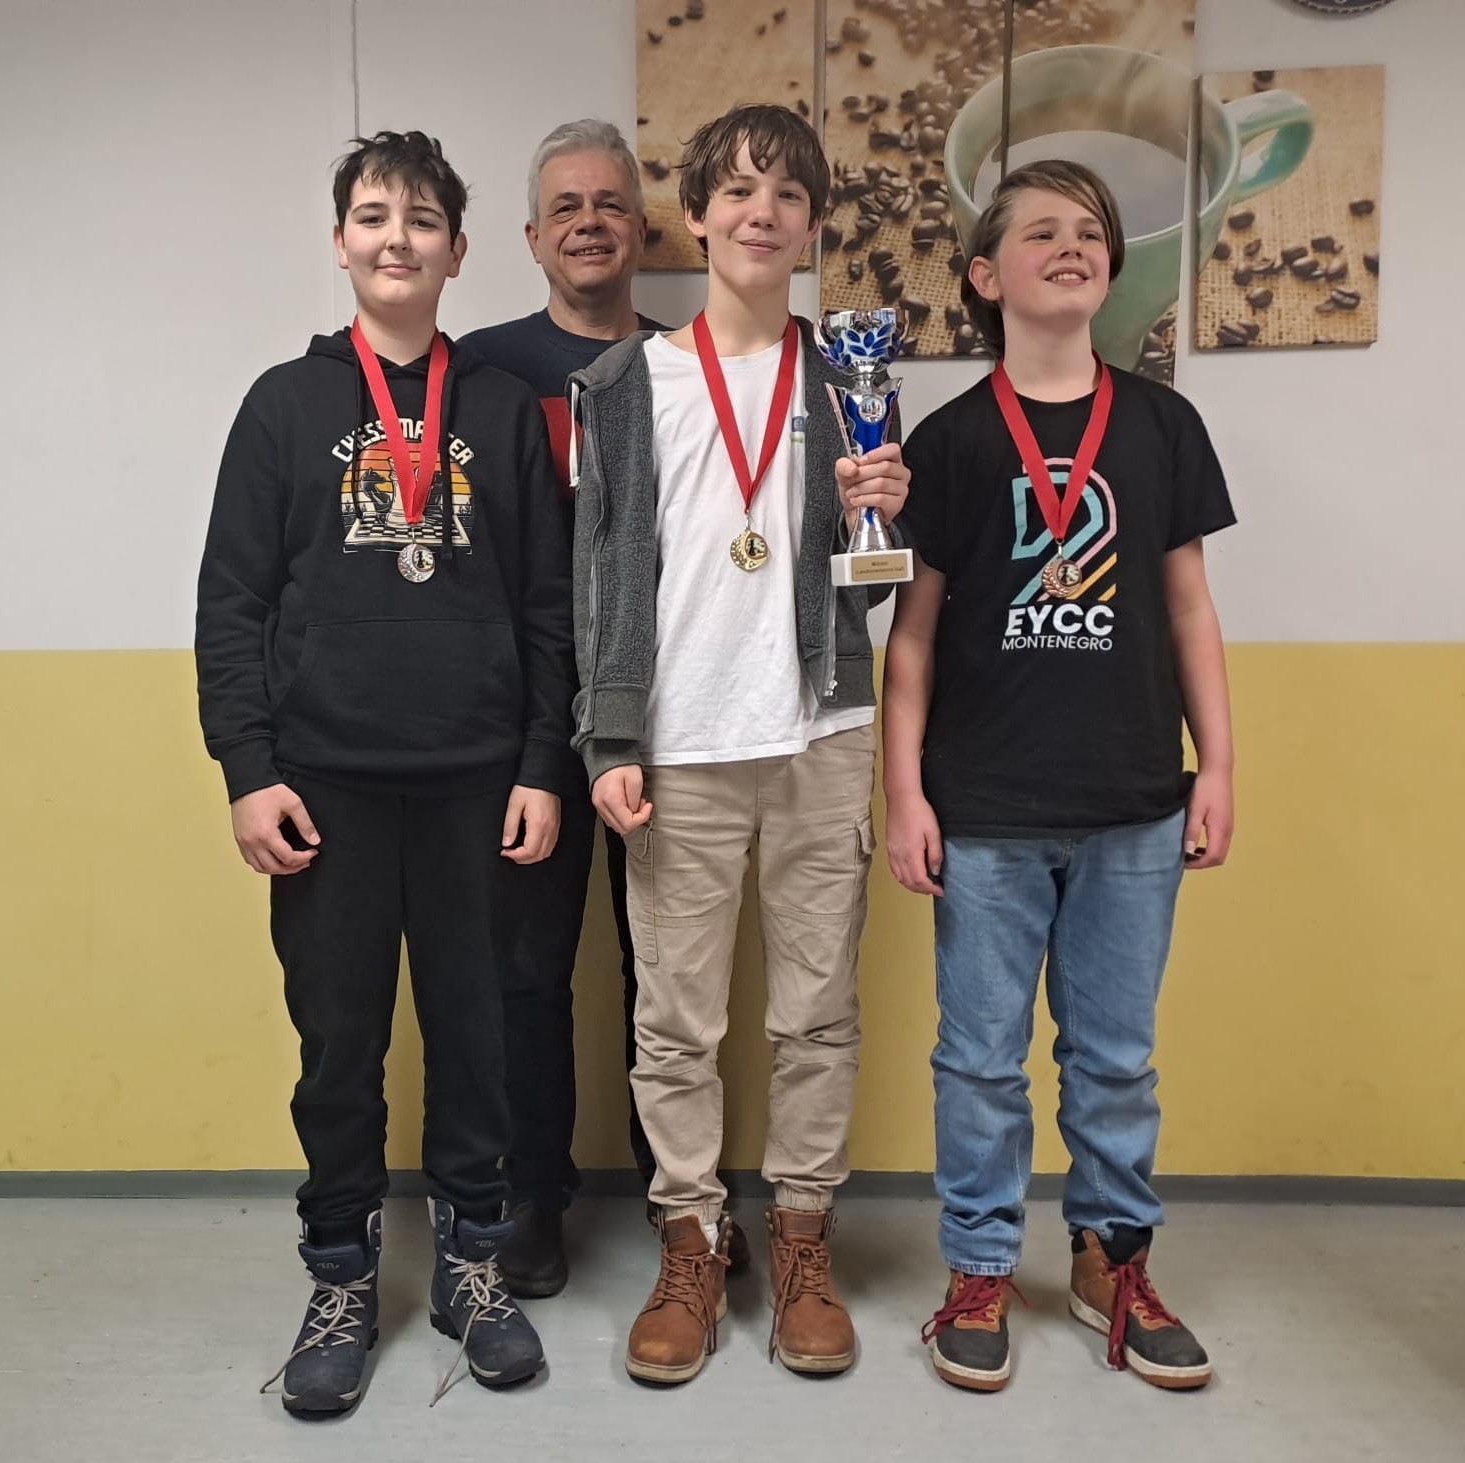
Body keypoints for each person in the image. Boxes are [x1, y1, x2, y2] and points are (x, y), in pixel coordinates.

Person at [194, 130, 574, 1415]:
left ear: (457, 250)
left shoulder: (503, 410)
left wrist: (542, 762)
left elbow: (548, 605)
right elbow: (232, 603)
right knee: (338, 1045)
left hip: (478, 783)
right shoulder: (282, 406)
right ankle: (341, 1275)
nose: (395, 238)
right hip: (326, 786)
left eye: (420, 219)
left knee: (478, 1035)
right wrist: (249, 768)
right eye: (372, 216)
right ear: (340, 241)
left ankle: (472, 1262)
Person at [570, 103, 910, 1385]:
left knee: (815, 1011)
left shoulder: (852, 378)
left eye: (787, 194)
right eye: (738, 189)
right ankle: (691, 1239)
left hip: (820, 727)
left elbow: (873, 581)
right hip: (680, 739)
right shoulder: (626, 385)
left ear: (811, 226)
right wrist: (608, 732)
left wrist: (884, 514)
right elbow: (599, 574)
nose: (761, 211)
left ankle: (803, 1235)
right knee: (676, 1019)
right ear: (697, 216)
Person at [884, 160, 1235, 1393]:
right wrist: (903, 792)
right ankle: (979, 1265)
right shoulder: (948, 440)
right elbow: (911, 637)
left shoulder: (1160, 426)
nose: (1071, 245)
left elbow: (1187, 608)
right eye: (1039, 232)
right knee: (979, 1059)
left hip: (1133, 800)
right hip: (983, 807)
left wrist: (1216, 765)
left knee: (1114, 1057)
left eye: (1088, 230)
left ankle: (1110, 1259)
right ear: (986, 276)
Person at [462, 119, 741, 1298]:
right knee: (524, 970)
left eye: (610, 204)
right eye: (566, 207)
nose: (589, 223)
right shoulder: (477, 373)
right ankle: (532, 1192)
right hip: (517, 723)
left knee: (666, 971)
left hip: (659, 716)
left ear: (644, 230)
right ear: (532, 237)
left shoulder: (686, 368)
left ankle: (683, 1200)